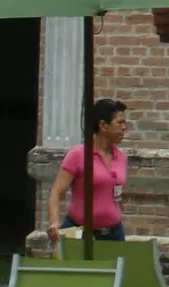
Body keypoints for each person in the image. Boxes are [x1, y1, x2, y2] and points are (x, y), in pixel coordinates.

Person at [46, 98, 129, 246]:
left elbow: (116, 195)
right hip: (81, 233)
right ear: (103, 125)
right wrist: (54, 223)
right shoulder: (78, 155)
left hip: (113, 234)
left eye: (124, 123)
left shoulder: (121, 158)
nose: (124, 127)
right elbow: (57, 191)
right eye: (119, 122)